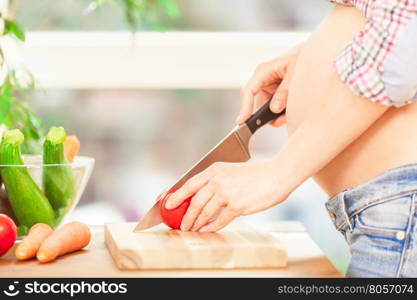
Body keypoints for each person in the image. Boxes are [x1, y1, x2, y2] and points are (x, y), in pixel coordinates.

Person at [165, 1, 417, 277]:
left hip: (401, 209)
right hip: (393, 211)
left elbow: (403, 37)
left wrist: (279, 173)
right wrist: (311, 55)